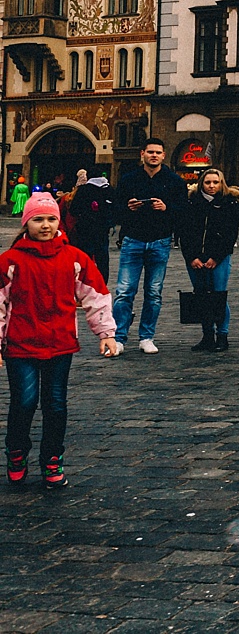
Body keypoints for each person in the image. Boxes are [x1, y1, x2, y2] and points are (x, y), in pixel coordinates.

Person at [1, 192, 122, 490]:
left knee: (55, 405)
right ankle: (17, 453)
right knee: (24, 402)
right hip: (21, 344)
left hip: (59, 343)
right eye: (38, 219)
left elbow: (96, 296)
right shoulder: (10, 261)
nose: (45, 225)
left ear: (59, 221)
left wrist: (106, 333)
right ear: (26, 223)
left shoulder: (74, 258)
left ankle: (52, 458)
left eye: (51, 219)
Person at [111, 137, 188, 355]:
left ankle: (146, 337)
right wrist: (128, 208)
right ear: (142, 154)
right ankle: (118, 338)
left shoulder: (174, 181)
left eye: (158, 152)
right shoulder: (128, 179)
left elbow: (183, 212)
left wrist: (167, 207)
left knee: (154, 292)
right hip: (133, 240)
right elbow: (115, 210)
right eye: (150, 152)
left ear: (164, 155)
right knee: (125, 291)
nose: (153, 155)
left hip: (160, 241)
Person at [178, 168, 239, 354]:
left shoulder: (229, 204)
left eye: (215, 182)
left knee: (219, 296)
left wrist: (216, 257)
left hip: (218, 258)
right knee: (202, 296)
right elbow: (184, 233)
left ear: (222, 184)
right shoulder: (191, 203)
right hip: (196, 258)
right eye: (208, 182)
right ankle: (207, 335)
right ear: (201, 184)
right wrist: (191, 257)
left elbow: (230, 235)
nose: (212, 186)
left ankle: (222, 335)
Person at [65, 170, 111, 285]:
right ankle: (102, 282)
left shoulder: (84, 190)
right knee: (102, 257)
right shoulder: (109, 189)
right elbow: (115, 210)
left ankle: (85, 282)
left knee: (85, 257)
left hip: (85, 229)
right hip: (102, 229)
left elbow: (73, 210)